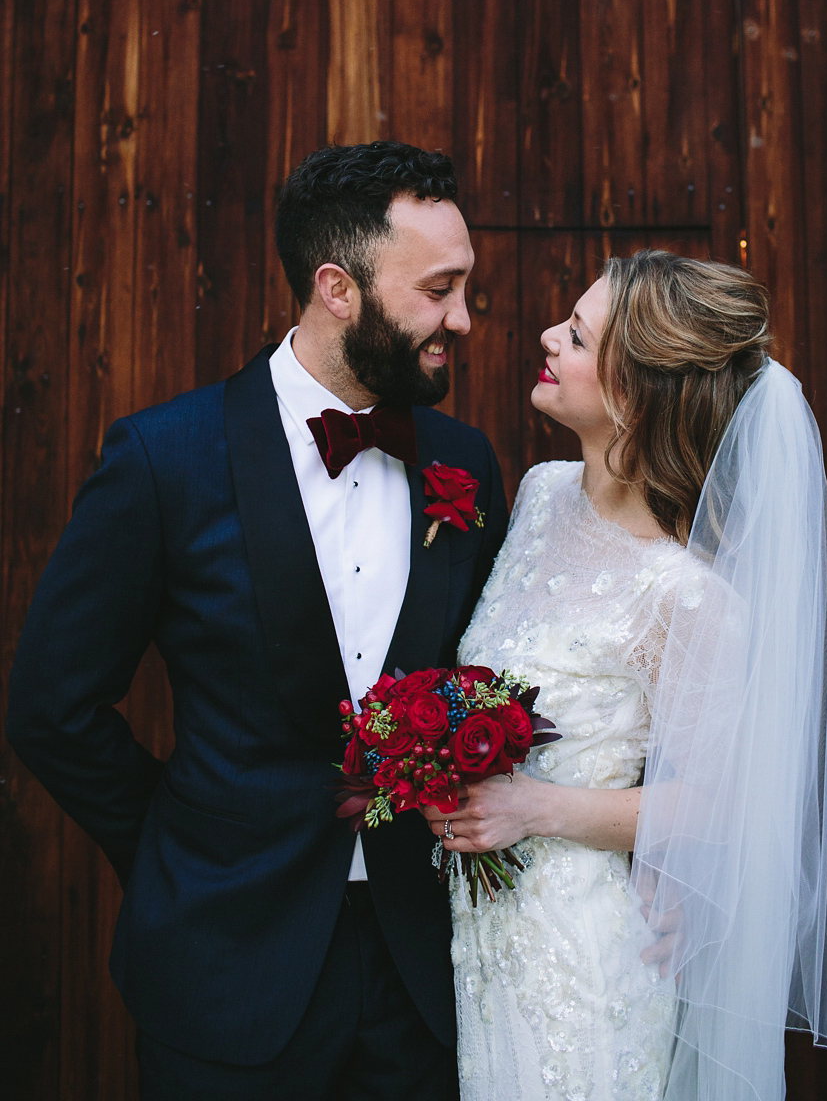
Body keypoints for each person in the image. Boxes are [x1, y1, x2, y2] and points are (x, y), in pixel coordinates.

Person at [6, 142, 508, 1100]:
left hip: (423, 976)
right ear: (338, 288)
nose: (464, 320)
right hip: (225, 962)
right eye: (438, 290)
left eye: (466, 287)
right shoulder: (166, 458)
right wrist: (173, 843)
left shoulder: (465, 463)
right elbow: (50, 707)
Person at [424, 250, 827, 1101]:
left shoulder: (683, 599)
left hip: (583, 959)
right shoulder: (541, 495)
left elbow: (724, 810)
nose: (547, 335)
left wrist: (532, 806)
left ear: (634, 395)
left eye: (576, 336)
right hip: (477, 940)